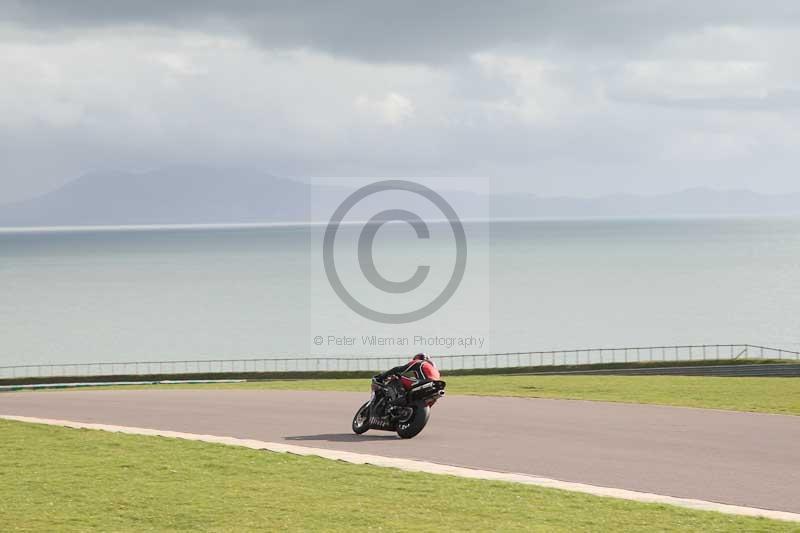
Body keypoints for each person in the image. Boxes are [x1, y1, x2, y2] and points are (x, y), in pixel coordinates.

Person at [374, 353, 440, 384]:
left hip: (426, 382)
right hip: (438, 384)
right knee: (412, 379)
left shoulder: (418, 362)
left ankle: (400, 399)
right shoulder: (432, 366)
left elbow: (398, 369)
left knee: (397, 378)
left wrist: (382, 376)